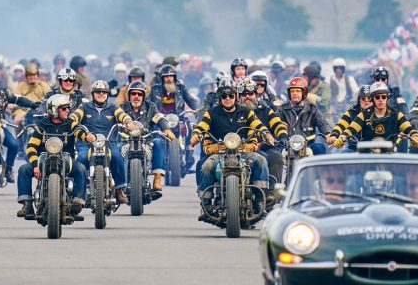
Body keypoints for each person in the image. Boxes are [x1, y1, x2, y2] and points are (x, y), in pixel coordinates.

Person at [189, 82, 270, 219]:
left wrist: (266, 134)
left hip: (243, 150)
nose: (228, 98)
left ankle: (260, 200)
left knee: (261, 160)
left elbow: (259, 125)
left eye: (231, 96)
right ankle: (206, 203)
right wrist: (196, 135)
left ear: (235, 97)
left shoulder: (246, 111)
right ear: (220, 99)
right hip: (219, 152)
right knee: (206, 166)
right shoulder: (212, 113)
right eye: (224, 96)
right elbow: (201, 127)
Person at [15, 93, 94, 220]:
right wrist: (35, 166)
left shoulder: (70, 123)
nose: (68, 110)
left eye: (68, 108)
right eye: (64, 108)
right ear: (54, 110)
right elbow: (31, 148)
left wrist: (87, 136)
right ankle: (27, 205)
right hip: (43, 161)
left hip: (66, 161)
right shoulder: (41, 125)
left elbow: (80, 131)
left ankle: (77, 202)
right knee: (24, 169)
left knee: (80, 168)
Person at [77, 80, 136, 204]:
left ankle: (119, 189)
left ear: (108, 94)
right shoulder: (84, 107)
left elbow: (123, 116)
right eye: (98, 92)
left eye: (104, 92)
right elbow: (74, 117)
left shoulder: (113, 107)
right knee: (81, 160)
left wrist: (128, 122)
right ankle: (78, 193)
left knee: (117, 157)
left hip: (109, 143)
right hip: (87, 144)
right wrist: (73, 123)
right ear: (93, 94)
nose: (101, 94)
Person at [120, 80, 175, 198]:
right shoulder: (122, 108)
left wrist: (166, 129)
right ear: (129, 96)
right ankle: (116, 183)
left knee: (159, 142)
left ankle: (157, 177)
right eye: (133, 94)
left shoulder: (151, 107)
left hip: (146, 141)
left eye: (139, 94)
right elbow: (113, 119)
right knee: (114, 150)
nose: (136, 97)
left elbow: (159, 118)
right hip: (125, 141)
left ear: (143, 96)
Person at [333, 82, 418, 150]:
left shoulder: (396, 114)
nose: (380, 100)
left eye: (383, 97)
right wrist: (342, 137)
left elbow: (409, 129)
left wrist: (415, 135)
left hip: (390, 155)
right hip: (366, 156)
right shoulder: (363, 115)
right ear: (372, 99)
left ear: (387, 98)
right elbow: (351, 130)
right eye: (377, 97)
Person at [277, 76, 332, 155]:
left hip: (308, 145)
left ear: (304, 92)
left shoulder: (312, 109)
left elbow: (322, 123)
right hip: (286, 144)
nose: (295, 93)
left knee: (319, 148)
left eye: (298, 91)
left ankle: (316, 167)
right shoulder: (282, 109)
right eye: (292, 91)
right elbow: (274, 123)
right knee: (275, 155)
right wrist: (277, 136)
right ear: (289, 93)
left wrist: (328, 134)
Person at [328, 85, 372, 151]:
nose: (366, 100)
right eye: (363, 98)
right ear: (359, 100)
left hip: (375, 150)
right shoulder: (352, 112)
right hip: (354, 148)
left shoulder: (380, 112)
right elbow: (341, 125)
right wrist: (334, 135)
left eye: (369, 98)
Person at [11, 61, 50, 129]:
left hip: (40, 111)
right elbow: (13, 99)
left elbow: (50, 98)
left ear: (37, 75)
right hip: (23, 111)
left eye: (34, 75)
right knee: (17, 120)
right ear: (26, 76)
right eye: (29, 75)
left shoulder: (43, 85)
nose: (32, 77)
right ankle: (18, 139)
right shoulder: (20, 86)